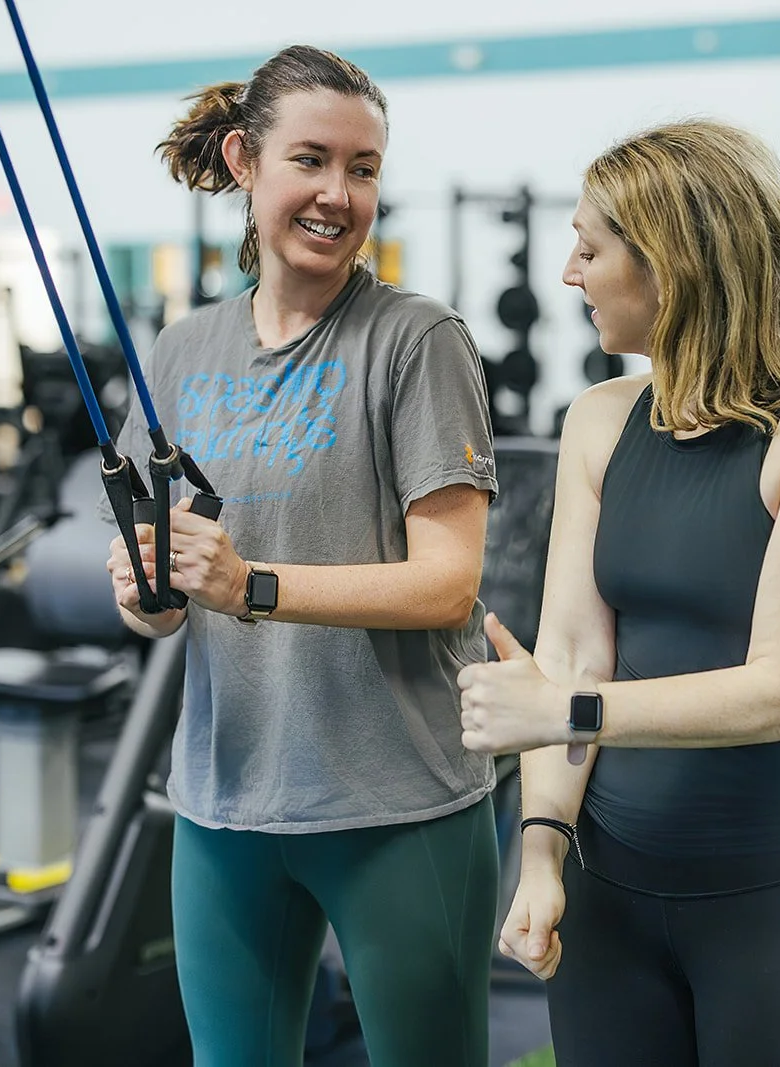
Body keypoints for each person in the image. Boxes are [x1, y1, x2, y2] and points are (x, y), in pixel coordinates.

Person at [457, 118, 780, 1066]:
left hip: (779, 911)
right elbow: (574, 652)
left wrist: (557, 707)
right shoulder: (601, 421)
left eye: (589, 248)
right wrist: (539, 852)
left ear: (673, 264)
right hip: (610, 905)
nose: (568, 275)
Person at [99, 45, 500, 1067]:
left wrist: (251, 584)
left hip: (397, 802)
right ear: (244, 160)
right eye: (311, 160)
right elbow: (167, 600)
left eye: (362, 169)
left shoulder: (417, 340)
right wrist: (148, 595)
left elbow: (447, 581)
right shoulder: (181, 351)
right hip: (224, 801)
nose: (338, 194)